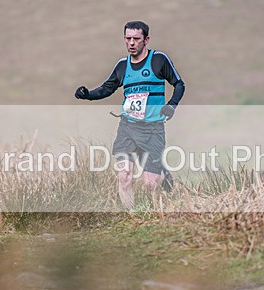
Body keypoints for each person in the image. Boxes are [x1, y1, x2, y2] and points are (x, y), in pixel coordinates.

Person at [74, 21, 185, 209]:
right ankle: (131, 214)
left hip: (153, 129)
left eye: (136, 39)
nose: (131, 43)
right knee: (124, 175)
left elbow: (179, 84)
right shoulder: (122, 66)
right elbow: (107, 89)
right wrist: (88, 95)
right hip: (128, 127)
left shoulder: (159, 60)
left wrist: (171, 105)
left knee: (150, 183)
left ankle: (162, 175)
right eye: (128, 38)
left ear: (146, 40)